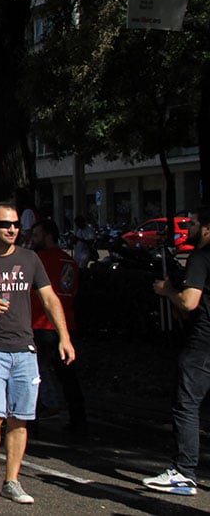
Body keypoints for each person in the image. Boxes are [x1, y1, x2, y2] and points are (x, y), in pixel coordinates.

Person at [0, 201, 75, 505]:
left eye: (14, 225)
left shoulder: (30, 259)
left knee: (20, 419)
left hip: (24, 349)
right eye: (4, 225)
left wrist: (64, 336)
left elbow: (49, 299)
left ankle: (12, 480)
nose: (11, 230)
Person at [144, 206, 210, 496]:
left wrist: (167, 291)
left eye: (194, 224)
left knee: (187, 404)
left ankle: (184, 472)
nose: (189, 229)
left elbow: (189, 302)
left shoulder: (200, 256)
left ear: (207, 228)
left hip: (203, 343)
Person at [29, 219, 85, 432]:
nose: (32, 240)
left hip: (41, 323)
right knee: (68, 377)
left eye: (36, 235)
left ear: (47, 235)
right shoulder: (69, 261)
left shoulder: (39, 260)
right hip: (65, 326)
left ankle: (32, 420)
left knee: (34, 374)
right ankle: (79, 421)